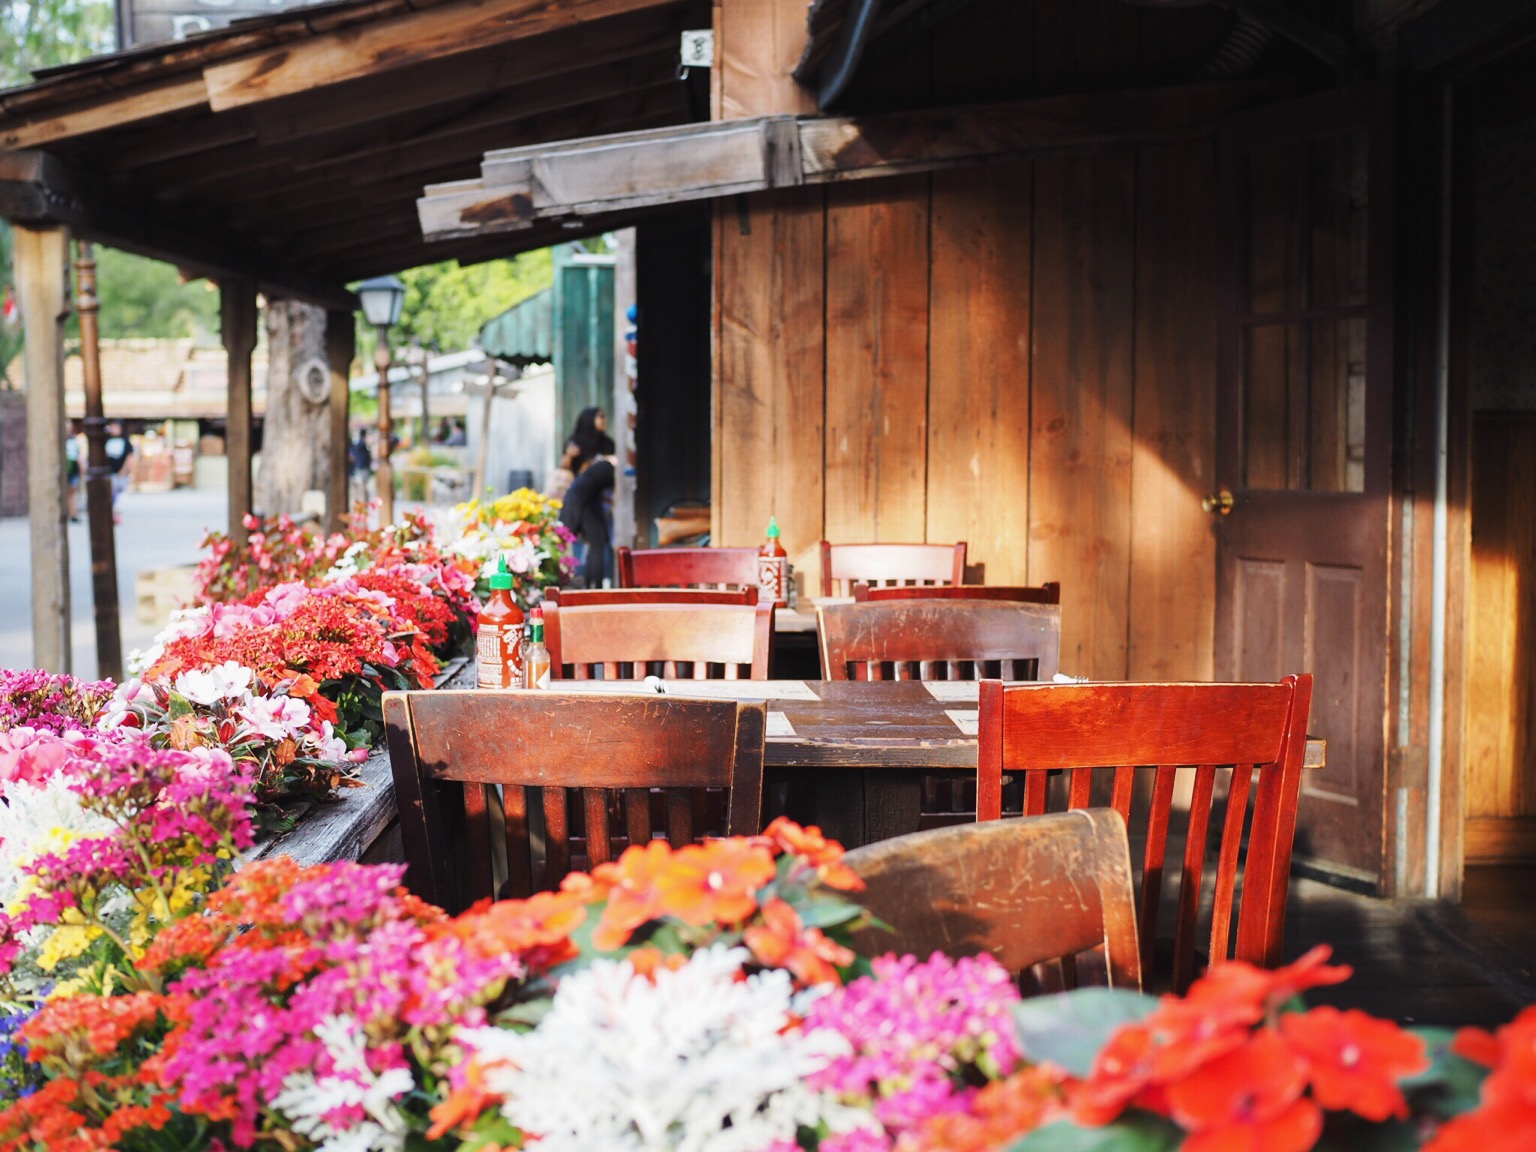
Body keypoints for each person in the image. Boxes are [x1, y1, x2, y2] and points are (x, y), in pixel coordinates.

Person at [558, 455, 614, 588]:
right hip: (579, 507)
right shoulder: (607, 470)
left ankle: (590, 583)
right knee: (597, 545)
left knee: (595, 545)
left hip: (580, 506)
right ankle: (594, 585)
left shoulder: (592, 475)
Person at [566, 406, 615, 473]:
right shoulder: (575, 442)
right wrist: (569, 456)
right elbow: (564, 468)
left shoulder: (607, 443)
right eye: (601, 416)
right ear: (589, 419)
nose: (605, 420)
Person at [104, 424, 135, 524]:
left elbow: (129, 457)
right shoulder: (106, 441)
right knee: (110, 495)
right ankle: (111, 514)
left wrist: (124, 470)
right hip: (109, 472)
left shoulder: (125, 442)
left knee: (119, 495)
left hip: (120, 473)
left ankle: (116, 514)